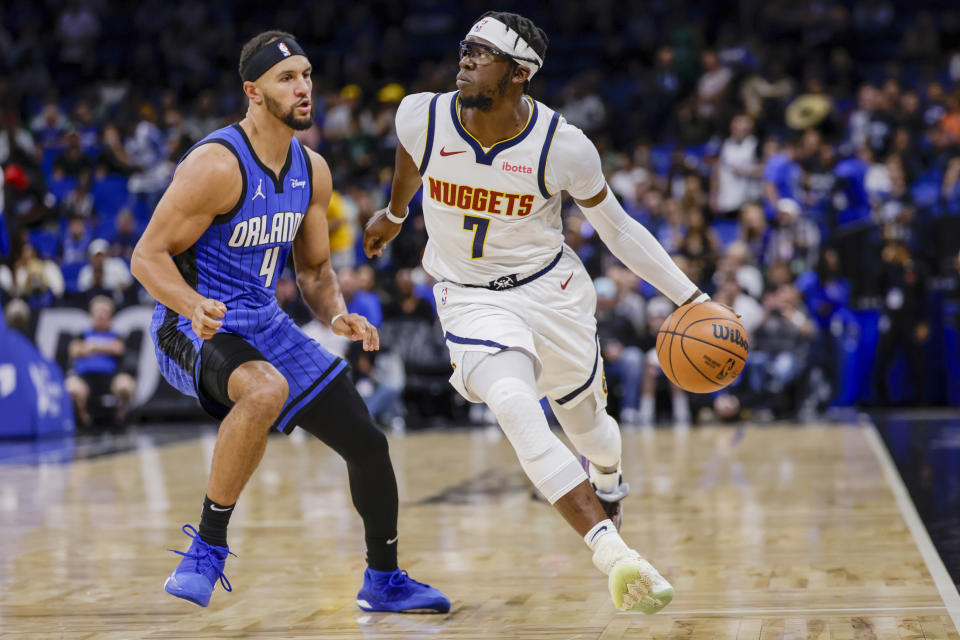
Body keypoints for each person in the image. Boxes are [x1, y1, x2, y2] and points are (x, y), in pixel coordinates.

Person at [364, 11, 711, 614]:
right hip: (468, 296)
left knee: (591, 432)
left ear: (520, 73)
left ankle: (607, 481)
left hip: (550, 294)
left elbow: (620, 232)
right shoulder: (420, 114)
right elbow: (408, 159)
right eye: (465, 48)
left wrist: (693, 299)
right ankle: (614, 553)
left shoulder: (563, 146)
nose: (466, 60)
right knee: (516, 406)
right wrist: (394, 216)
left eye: (483, 53)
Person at [131, 30, 448, 613]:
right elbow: (145, 257)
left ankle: (384, 581)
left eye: (305, 74)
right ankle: (207, 547)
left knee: (369, 445)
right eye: (287, 78)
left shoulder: (313, 169)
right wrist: (189, 304)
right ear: (253, 91)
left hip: (264, 322)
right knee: (264, 389)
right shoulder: (216, 165)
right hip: (191, 326)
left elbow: (315, 270)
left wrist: (337, 314)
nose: (303, 87)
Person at [64, 295, 136, 428]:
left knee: (125, 386)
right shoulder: (81, 334)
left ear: (110, 316)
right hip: (84, 378)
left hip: (111, 377)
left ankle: (120, 420)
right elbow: (75, 350)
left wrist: (92, 347)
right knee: (72, 389)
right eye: (98, 312)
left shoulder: (117, 335)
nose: (101, 316)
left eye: (105, 312)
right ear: (92, 315)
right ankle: (83, 419)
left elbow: (118, 348)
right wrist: (105, 348)